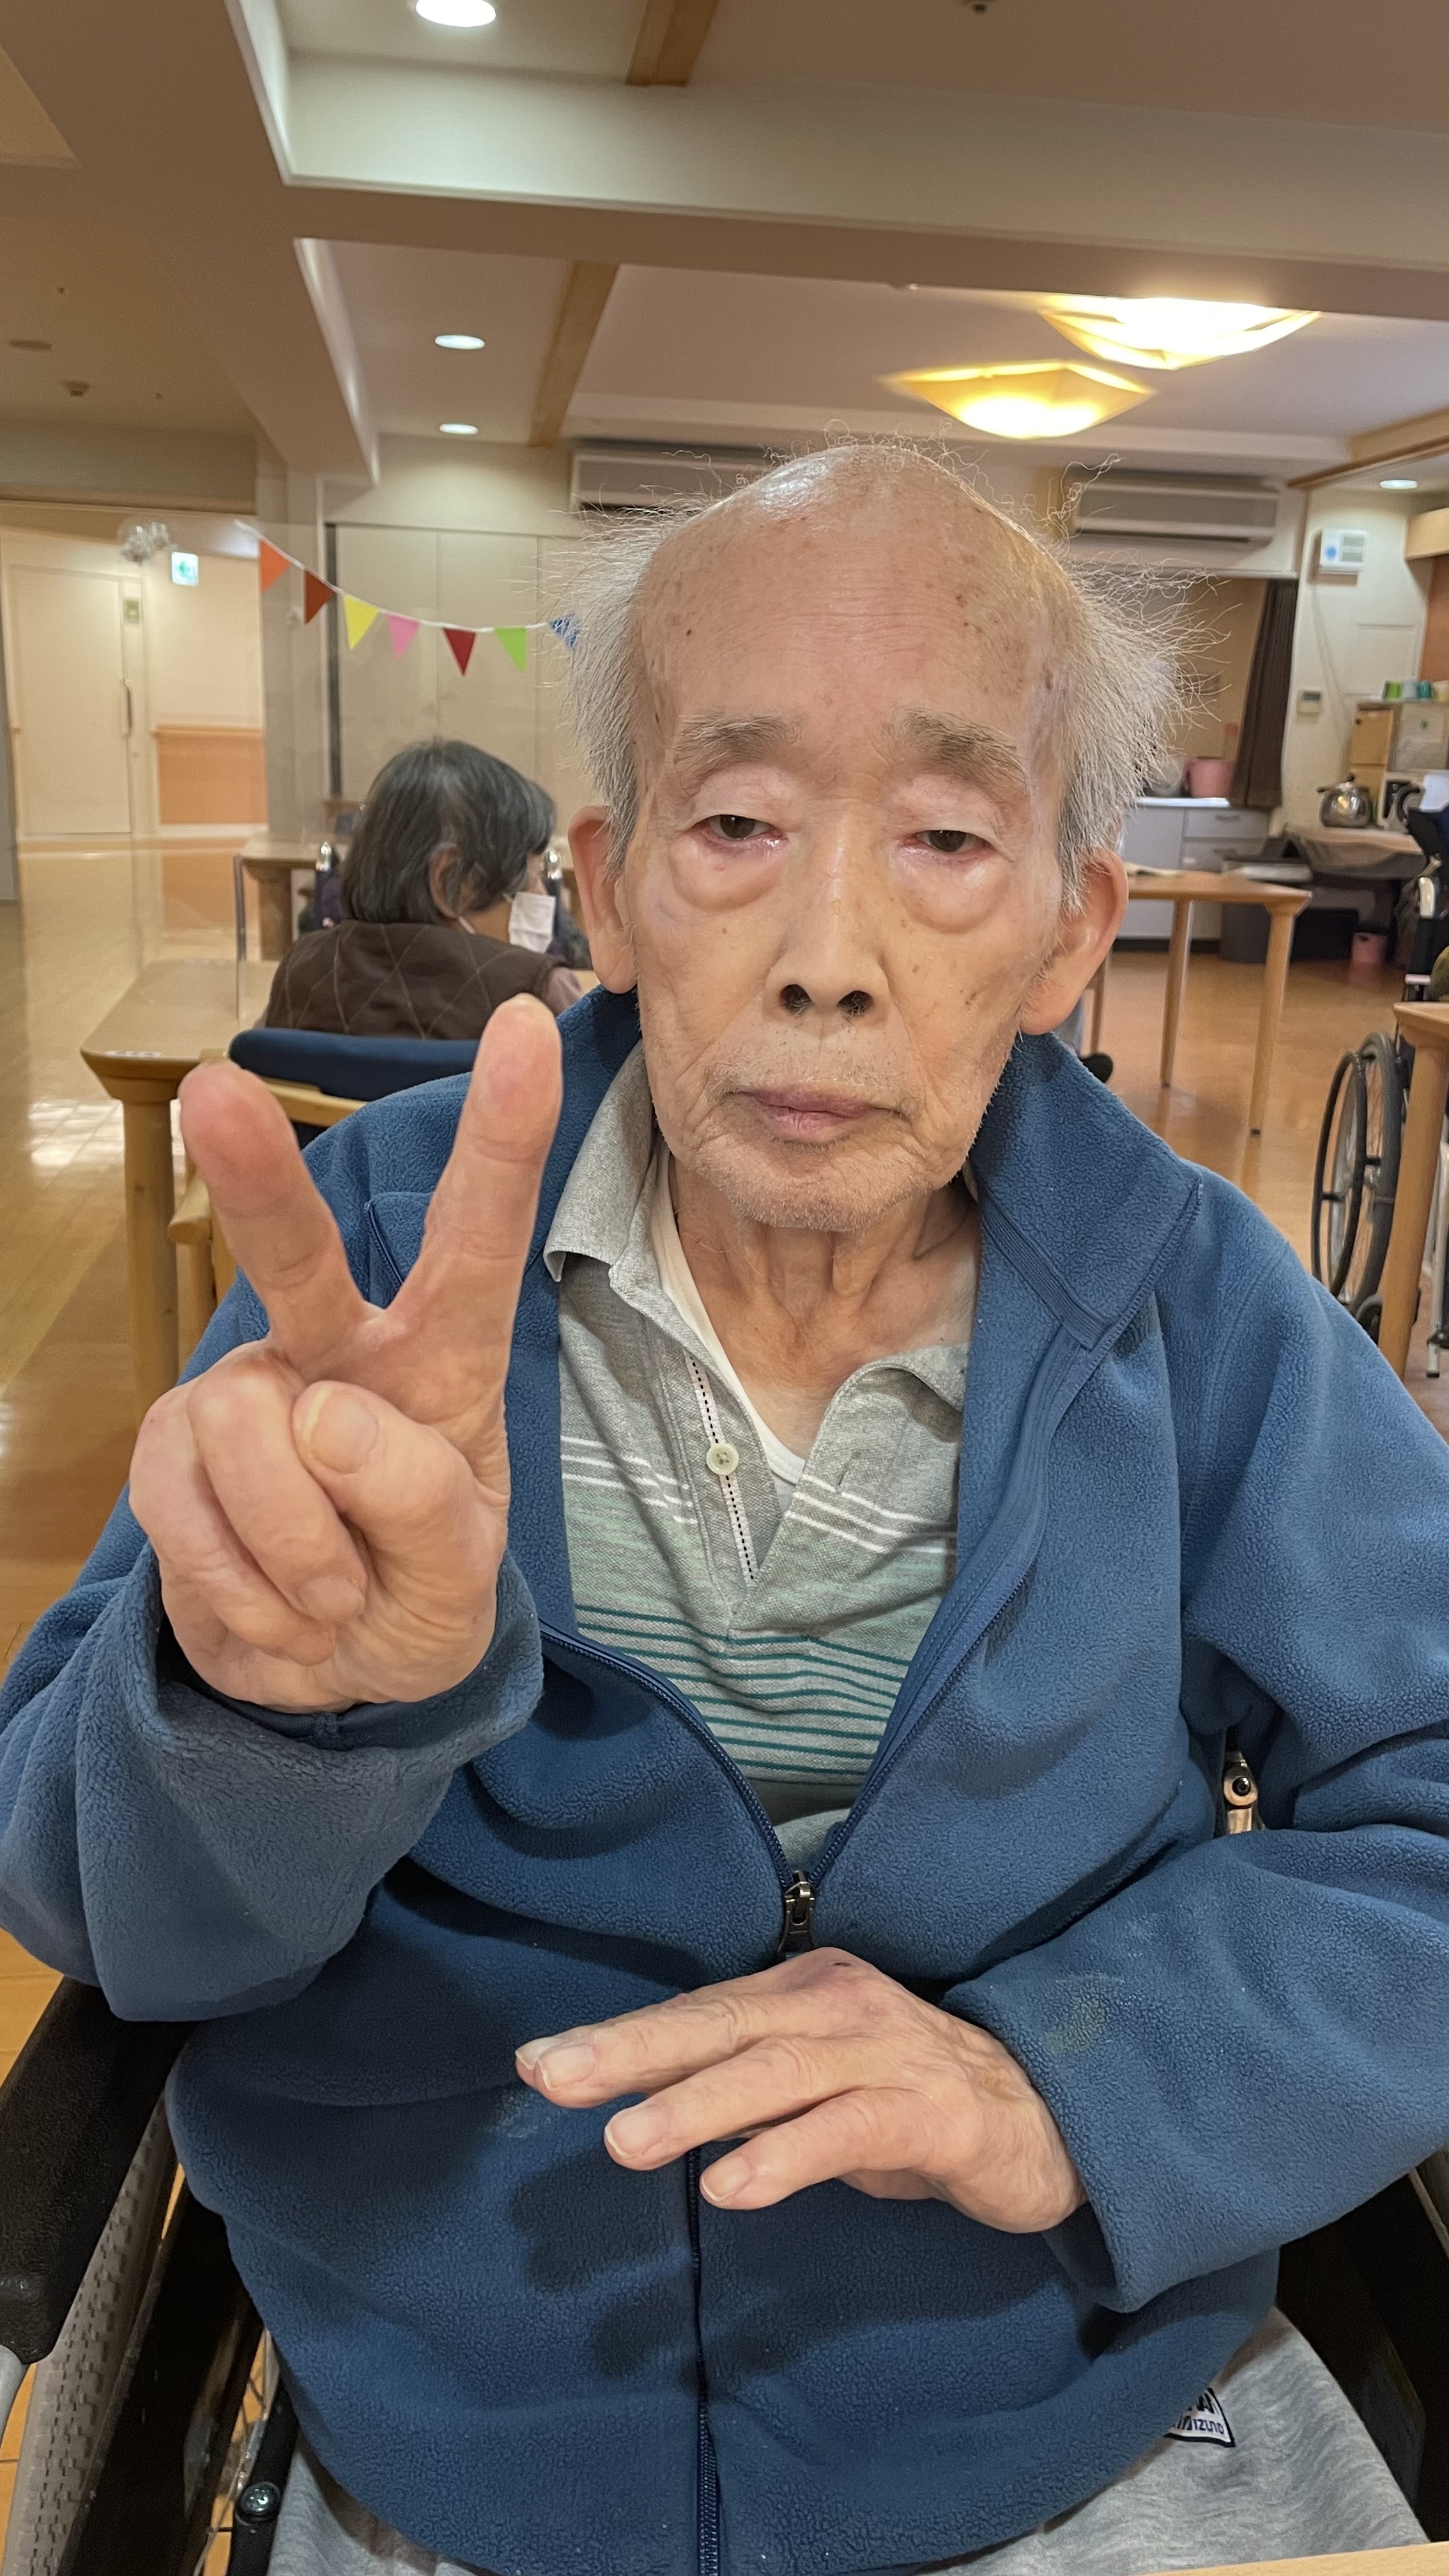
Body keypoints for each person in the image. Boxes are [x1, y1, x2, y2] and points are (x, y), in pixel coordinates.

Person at [3, 445, 1448, 2576]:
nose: (823, 958)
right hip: (454, 2425)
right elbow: (93, 1897)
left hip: (1063, 2414)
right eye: (737, 824)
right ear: (603, 890)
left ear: (1066, 928)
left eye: (943, 839)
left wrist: (1067, 2081)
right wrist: (270, 1717)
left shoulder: (1191, 1309)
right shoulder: (388, 1264)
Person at [262, 737, 582, 1037]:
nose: (542, 895)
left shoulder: (299, 975)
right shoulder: (541, 991)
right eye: (530, 876)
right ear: (450, 880)